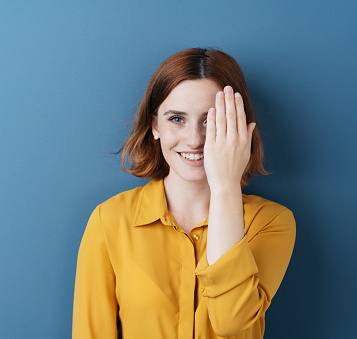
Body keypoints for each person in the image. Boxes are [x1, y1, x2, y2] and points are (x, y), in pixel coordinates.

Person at [72, 48, 296, 339]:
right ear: (155, 126)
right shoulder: (110, 220)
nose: (194, 140)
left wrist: (226, 185)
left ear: (238, 128)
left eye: (211, 120)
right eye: (177, 119)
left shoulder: (271, 221)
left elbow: (231, 322)